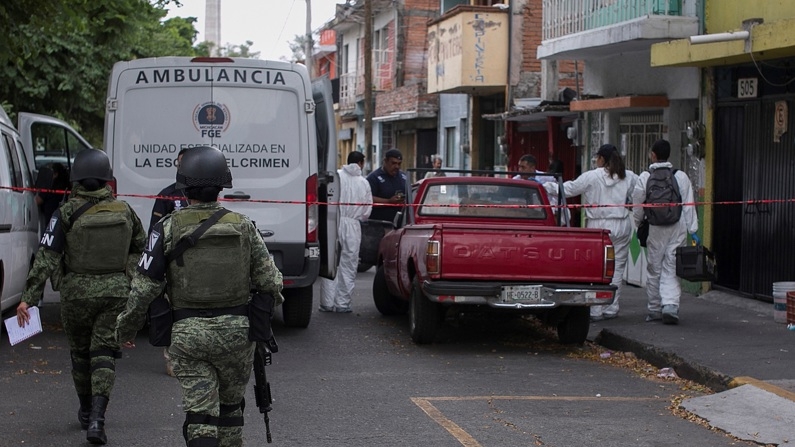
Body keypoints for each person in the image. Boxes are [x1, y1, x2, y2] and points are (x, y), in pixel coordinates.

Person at [115, 146, 283, 447]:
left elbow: (144, 287)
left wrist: (126, 327)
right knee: (231, 411)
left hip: (188, 337)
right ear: (221, 186)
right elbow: (270, 282)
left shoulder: (165, 228)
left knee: (201, 417)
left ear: (183, 186)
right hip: (237, 335)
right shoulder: (243, 226)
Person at [16, 149, 147, 445]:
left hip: (76, 294)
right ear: (106, 179)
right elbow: (142, 248)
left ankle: (86, 410)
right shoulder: (125, 210)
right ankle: (98, 419)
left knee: (80, 355)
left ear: (75, 179)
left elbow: (48, 256)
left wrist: (28, 297)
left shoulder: (64, 213)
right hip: (115, 293)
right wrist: (130, 278)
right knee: (103, 354)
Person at [543, 144, 637, 321]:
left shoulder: (592, 176)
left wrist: (544, 186)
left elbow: (568, 189)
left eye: (596, 158)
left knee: (597, 269)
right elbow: (640, 192)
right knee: (617, 269)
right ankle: (611, 308)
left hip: (599, 226)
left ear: (601, 159)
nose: (595, 161)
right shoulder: (629, 176)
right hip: (622, 224)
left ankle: (595, 311)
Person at [632, 139, 698, 325]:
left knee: (655, 268)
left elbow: (637, 205)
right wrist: (692, 230)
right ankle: (670, 305)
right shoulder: (681, 176)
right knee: (672, 266)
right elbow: (688, 205)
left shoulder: (645, 177)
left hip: (655, 228)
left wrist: (638, 223)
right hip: (677, 227)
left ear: (653, 155)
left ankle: (654, 308)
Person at [149, 148, 189, 377]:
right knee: (172, 313)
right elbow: (153, 233)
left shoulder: (201, 194)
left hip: (196, 267)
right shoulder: (166, 195)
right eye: (180, 162)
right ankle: (172, 359)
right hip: (172, 266)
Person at [319, 151, 372, 313]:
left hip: (333, 221)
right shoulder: (363, 183)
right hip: (352, 225)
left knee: (330, 262)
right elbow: (366, 211)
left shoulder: (336, 177)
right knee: (349, 264)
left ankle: (327, 302)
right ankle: (342, 303)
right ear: (361, 163)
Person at [149, 148, 189, 232]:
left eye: (186, 164)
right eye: (179, 164)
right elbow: (155, 229)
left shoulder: (203, 193)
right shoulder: (166, 195)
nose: (181, 168)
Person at [366, 148, 408, 223]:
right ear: (385, 161)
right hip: (378, 224)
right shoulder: (374, 178)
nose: (397, 167)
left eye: (399, 164)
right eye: (393, 163)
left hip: (399, 225)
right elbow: (367, 199)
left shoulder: (403, 177)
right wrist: (388, 201)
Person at [35, 162, 70, 226]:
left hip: (50, 219)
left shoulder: (49, 187)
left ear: (56, 174)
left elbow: (38, 201)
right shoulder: (66, 187)